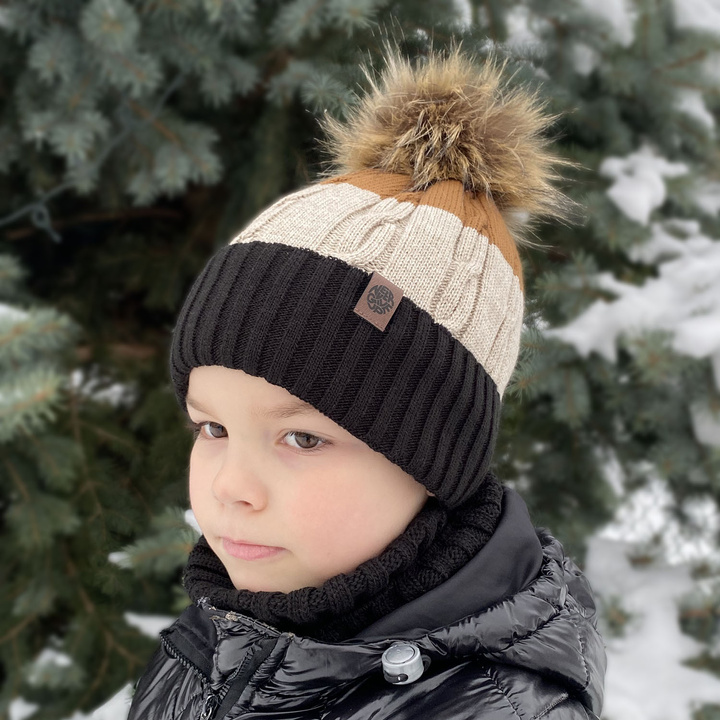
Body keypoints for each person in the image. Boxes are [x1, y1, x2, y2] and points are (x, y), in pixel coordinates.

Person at [128, 43, 606, 720]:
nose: (230, 487)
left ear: (433, 462)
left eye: (301, 437)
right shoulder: (221, 635)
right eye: (213, 427)